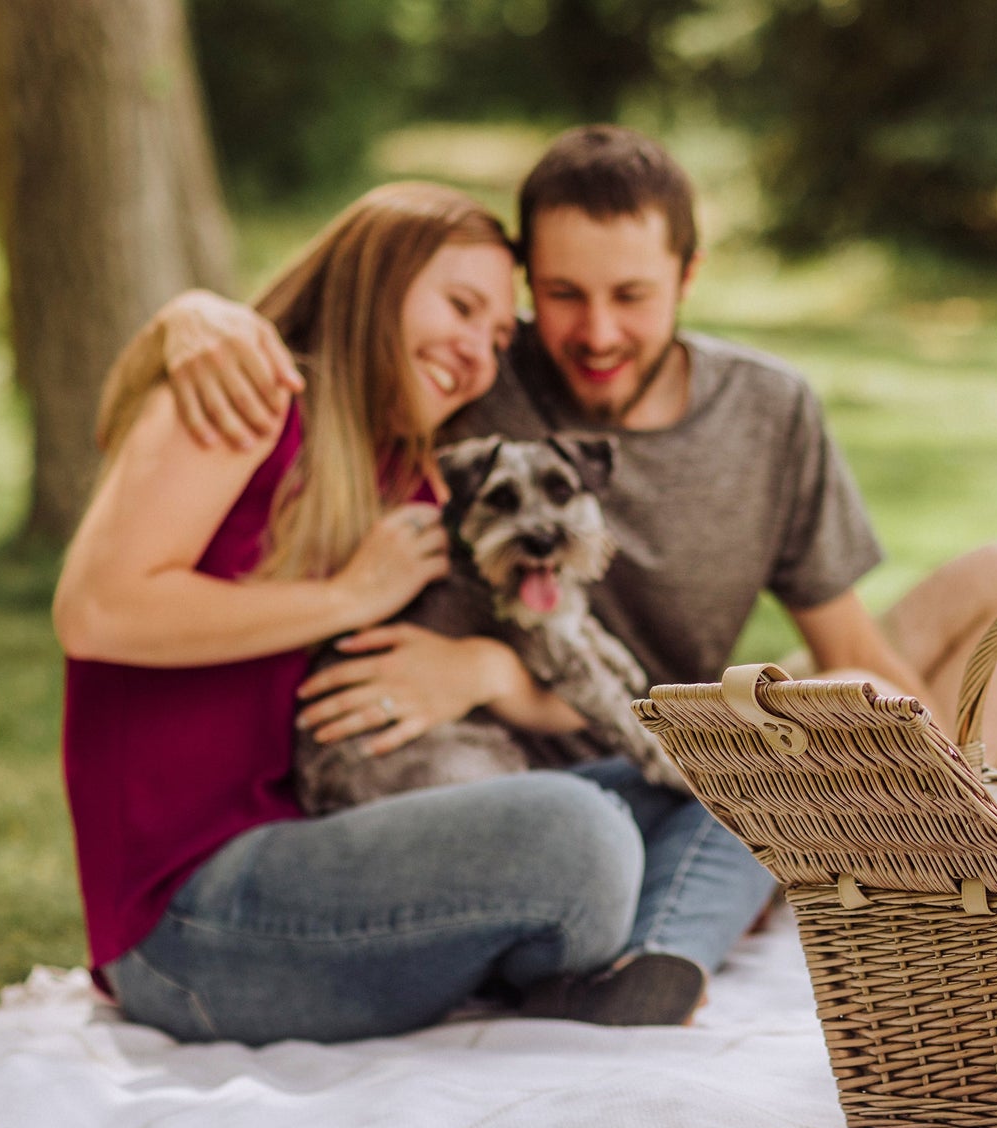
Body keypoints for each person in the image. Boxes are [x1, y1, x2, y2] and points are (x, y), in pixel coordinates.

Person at [138, 125, 997, 1022]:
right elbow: (325, 338)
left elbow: (849, 644)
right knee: (746, 771)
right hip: (507, 774)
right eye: (562, 295)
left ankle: (874, 863)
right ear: (527, 285)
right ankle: (741, 897)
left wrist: (962, 806)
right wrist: (186, 319)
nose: (597, 331)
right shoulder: (470, 377)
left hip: (668, 740)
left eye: (633, 294)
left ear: (690, 276)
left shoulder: (770, 410)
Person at [54, 182, 663, 1046]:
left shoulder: (413, 482)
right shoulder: (246, 396)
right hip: (189, 923)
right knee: (578, 837)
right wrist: (347, 597)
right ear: (378, 279)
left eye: (498, 336)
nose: (478, 355)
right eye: (461, 307)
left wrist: (484, 672)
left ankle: (665, 958)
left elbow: (557, 652)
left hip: (335, 848)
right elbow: (96, 610)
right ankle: (604, 943)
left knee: (714, 785)